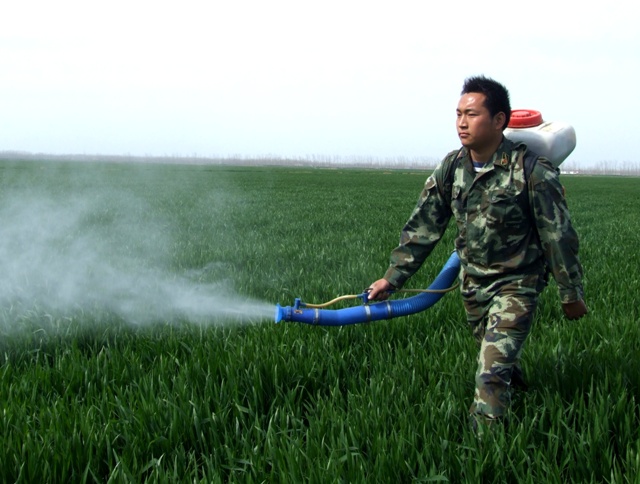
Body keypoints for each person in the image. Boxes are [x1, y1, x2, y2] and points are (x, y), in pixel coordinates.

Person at [367, 75, 587, 428]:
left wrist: (570, 294)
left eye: (471, 114)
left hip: (517, 285)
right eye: (458, 114)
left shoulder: (531, 170)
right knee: (498, 360)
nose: (462, 123)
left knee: (489, 373)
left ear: (499, 120)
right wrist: (392, 278)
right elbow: (422, 228)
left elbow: (558, 236)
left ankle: (485, 446)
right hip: (473, 286)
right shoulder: (452, 168)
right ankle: (524, 399)